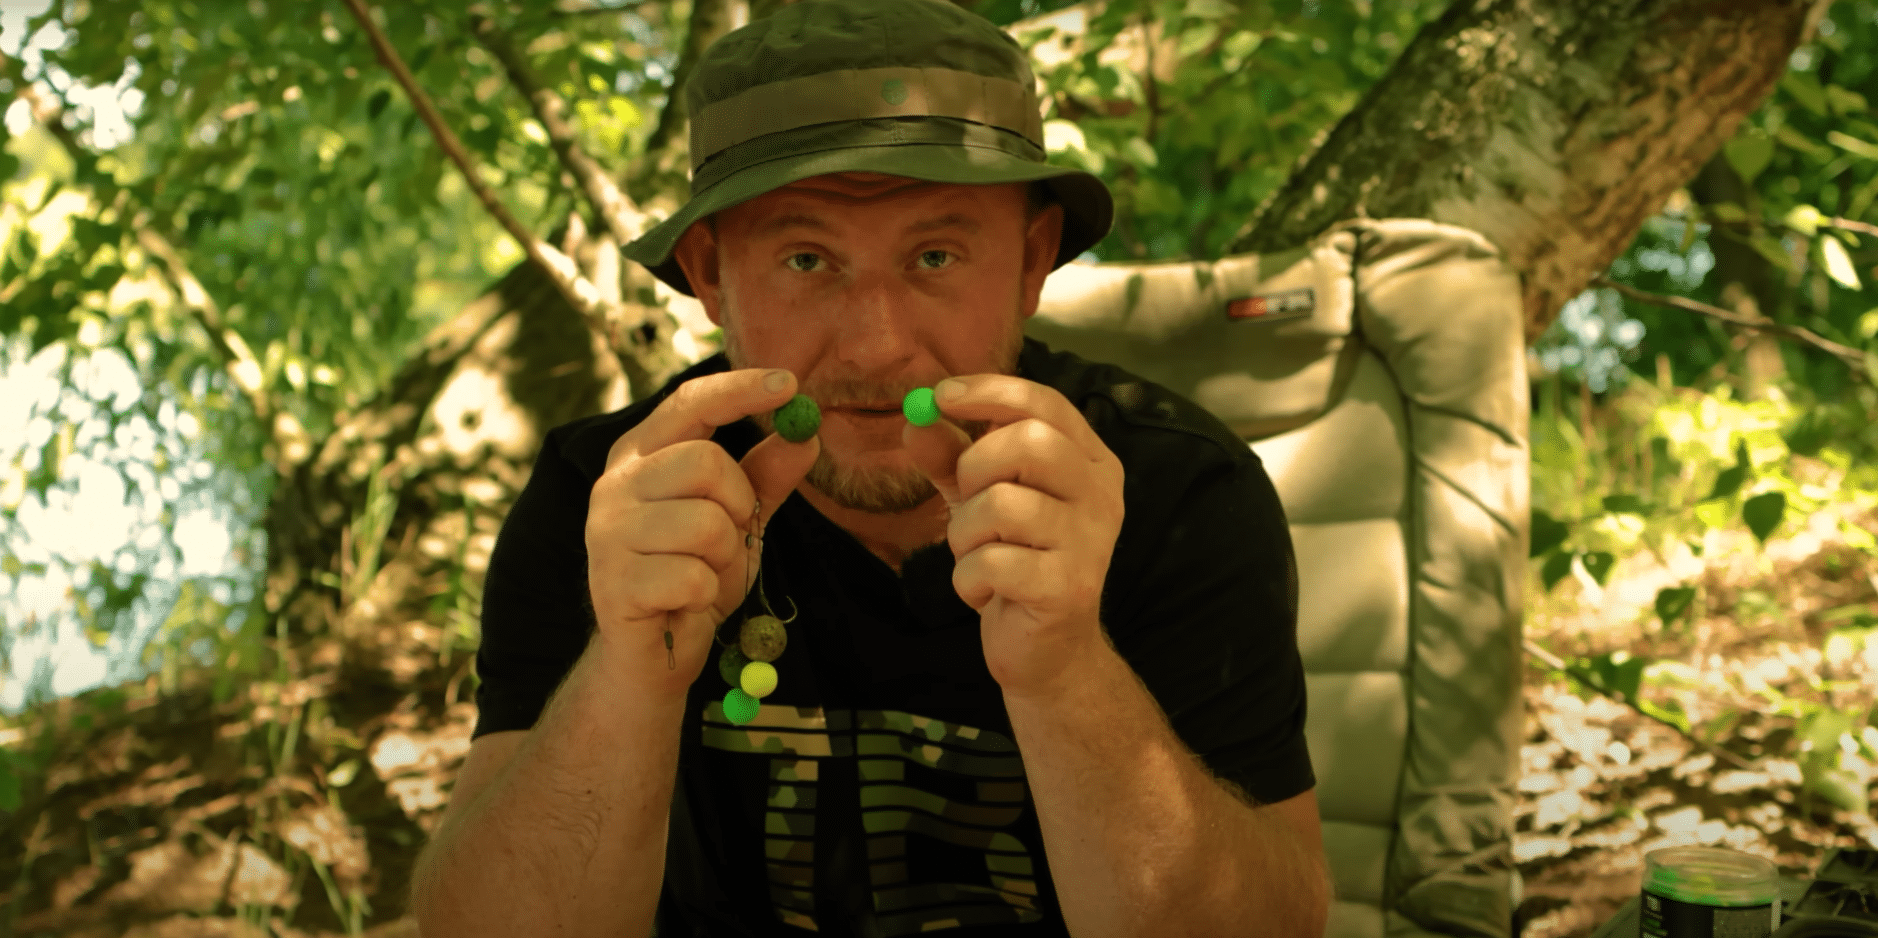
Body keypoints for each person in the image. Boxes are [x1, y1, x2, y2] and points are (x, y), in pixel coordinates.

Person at [409, 1, 1330, 936]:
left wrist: (1066, 673)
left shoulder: (1175, 492)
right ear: (712, 275)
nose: (876, 344)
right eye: (808, 259)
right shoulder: (609, 499)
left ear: (1031, 261)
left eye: (935, 255)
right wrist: (627, 677)